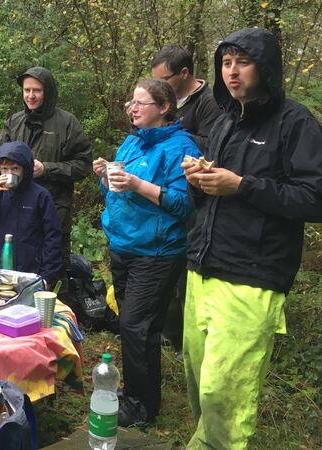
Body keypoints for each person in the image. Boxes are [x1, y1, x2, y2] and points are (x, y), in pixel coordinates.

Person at [181, 28, 322, 450]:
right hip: (202, 268)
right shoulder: (224, 122)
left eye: (242, 62)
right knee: (199, 383)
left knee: (224, 393)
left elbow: (314, 198)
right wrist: (198, 179)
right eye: (226, 63)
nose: (232, 72)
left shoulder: (295, 123)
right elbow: (213, 197)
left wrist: (241, 185)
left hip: (253, 277)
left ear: (266, 67)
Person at [93, 78, 200, 427]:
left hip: (156, 252)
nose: (132, 108)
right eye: (131, 103)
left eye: (140, 103)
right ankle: (140, 394)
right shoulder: (133, 141)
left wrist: (138, 185)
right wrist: (106, 176)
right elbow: (117, 187)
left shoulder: (182, 148)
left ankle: (141, 407)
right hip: (123, 244)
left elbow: (185, 205)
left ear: (164, 108)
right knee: (137, 328)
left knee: (135, 325)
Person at [150, 45, 221, 355]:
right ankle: (167, 331)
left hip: (196, 197)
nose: (161, 86)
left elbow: (214, 146)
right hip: (165, 190)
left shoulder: (210, 102)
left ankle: (185, 340)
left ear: (184, 74)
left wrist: (173, 133)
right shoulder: (169, 98)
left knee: (184, 270)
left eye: (165, 79)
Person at [0, 66, 92, 282]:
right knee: (15, 270)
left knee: (53, 272)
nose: (31, 96)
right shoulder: (15, 121)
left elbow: (83, 165)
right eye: (26, 90)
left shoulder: (67, 123)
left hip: (54, 209)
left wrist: (47, 169)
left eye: (37, 91)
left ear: (48, 92)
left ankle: (54, 313)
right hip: (16, 209)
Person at [0, 141, 62, 289]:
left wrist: (47, 277)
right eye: (4, 169)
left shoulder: (40, 196)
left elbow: (53, 237)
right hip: (0, 271)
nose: (9, 173)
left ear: (26, 169)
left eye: (15, 169)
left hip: (31, 272)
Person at [150, 45, 220, 152]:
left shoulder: (210, 102)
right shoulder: (162, 98)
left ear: (184, 73)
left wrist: (169, 131)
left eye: (163, 80)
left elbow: (209, 146)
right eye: (155, 81)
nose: (158, 86)